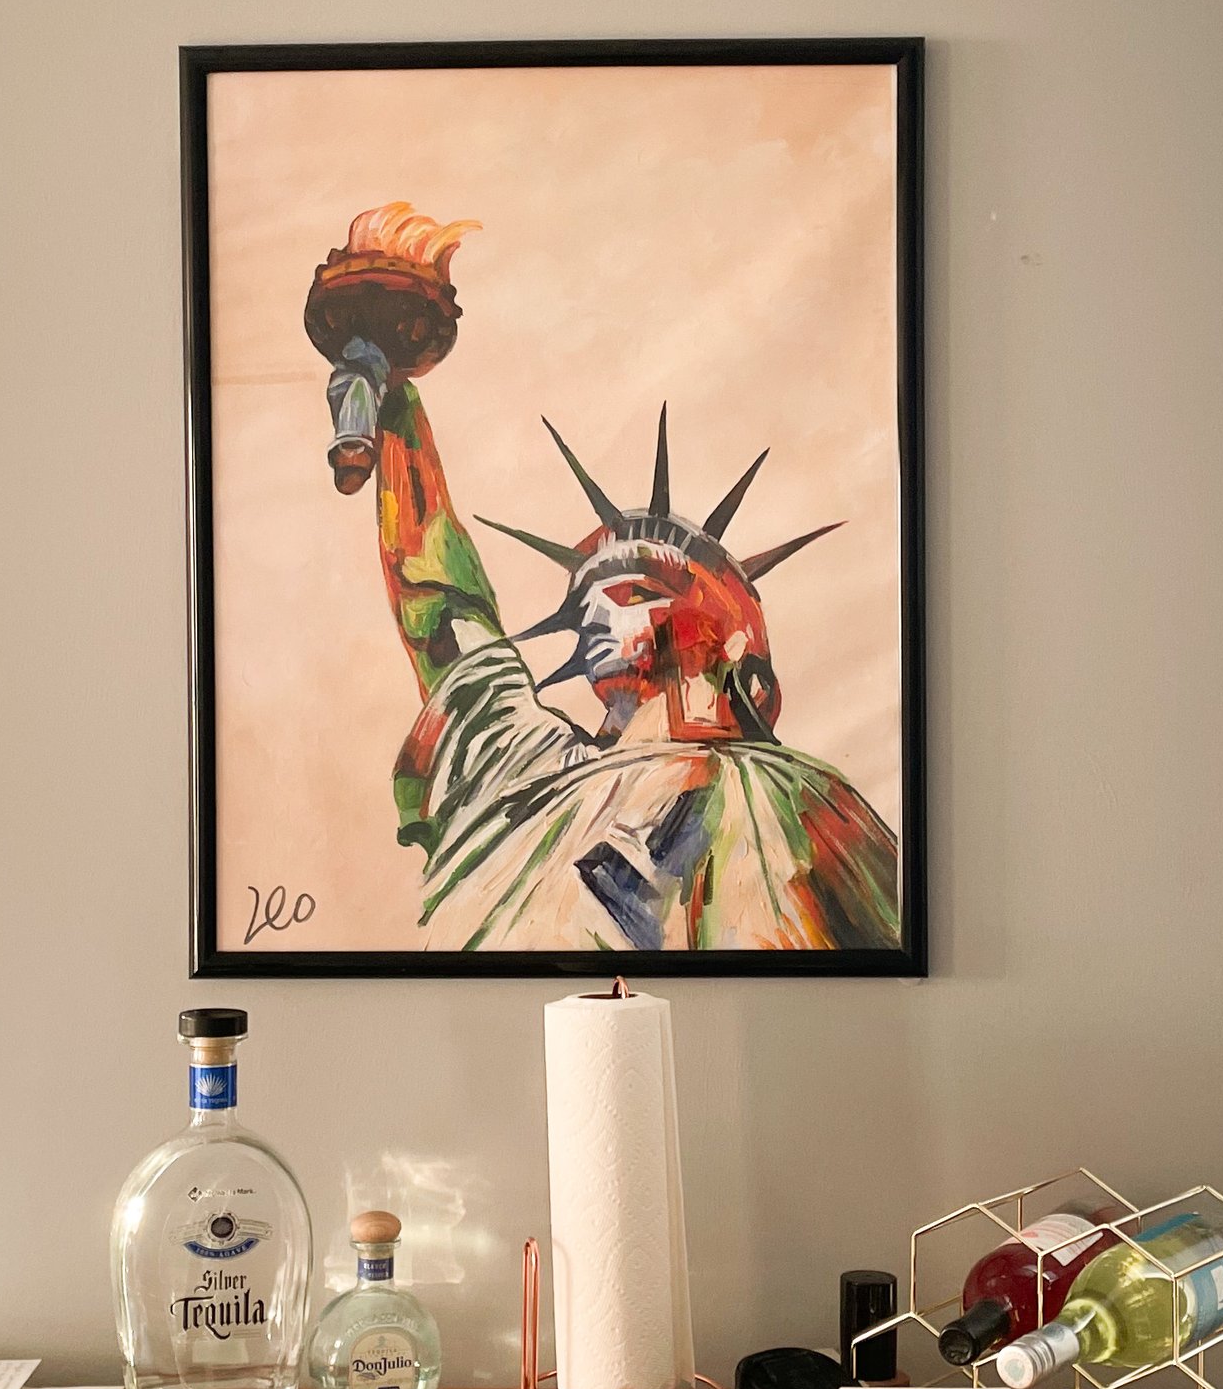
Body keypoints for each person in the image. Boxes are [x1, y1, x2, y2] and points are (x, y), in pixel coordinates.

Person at [325, 242, 901, 954]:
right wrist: (393, 405)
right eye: (589, 598)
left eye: (636, 590)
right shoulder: (520, 770)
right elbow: (444, 611)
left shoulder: (789, 801)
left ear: (737, 651)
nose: (599, 614)